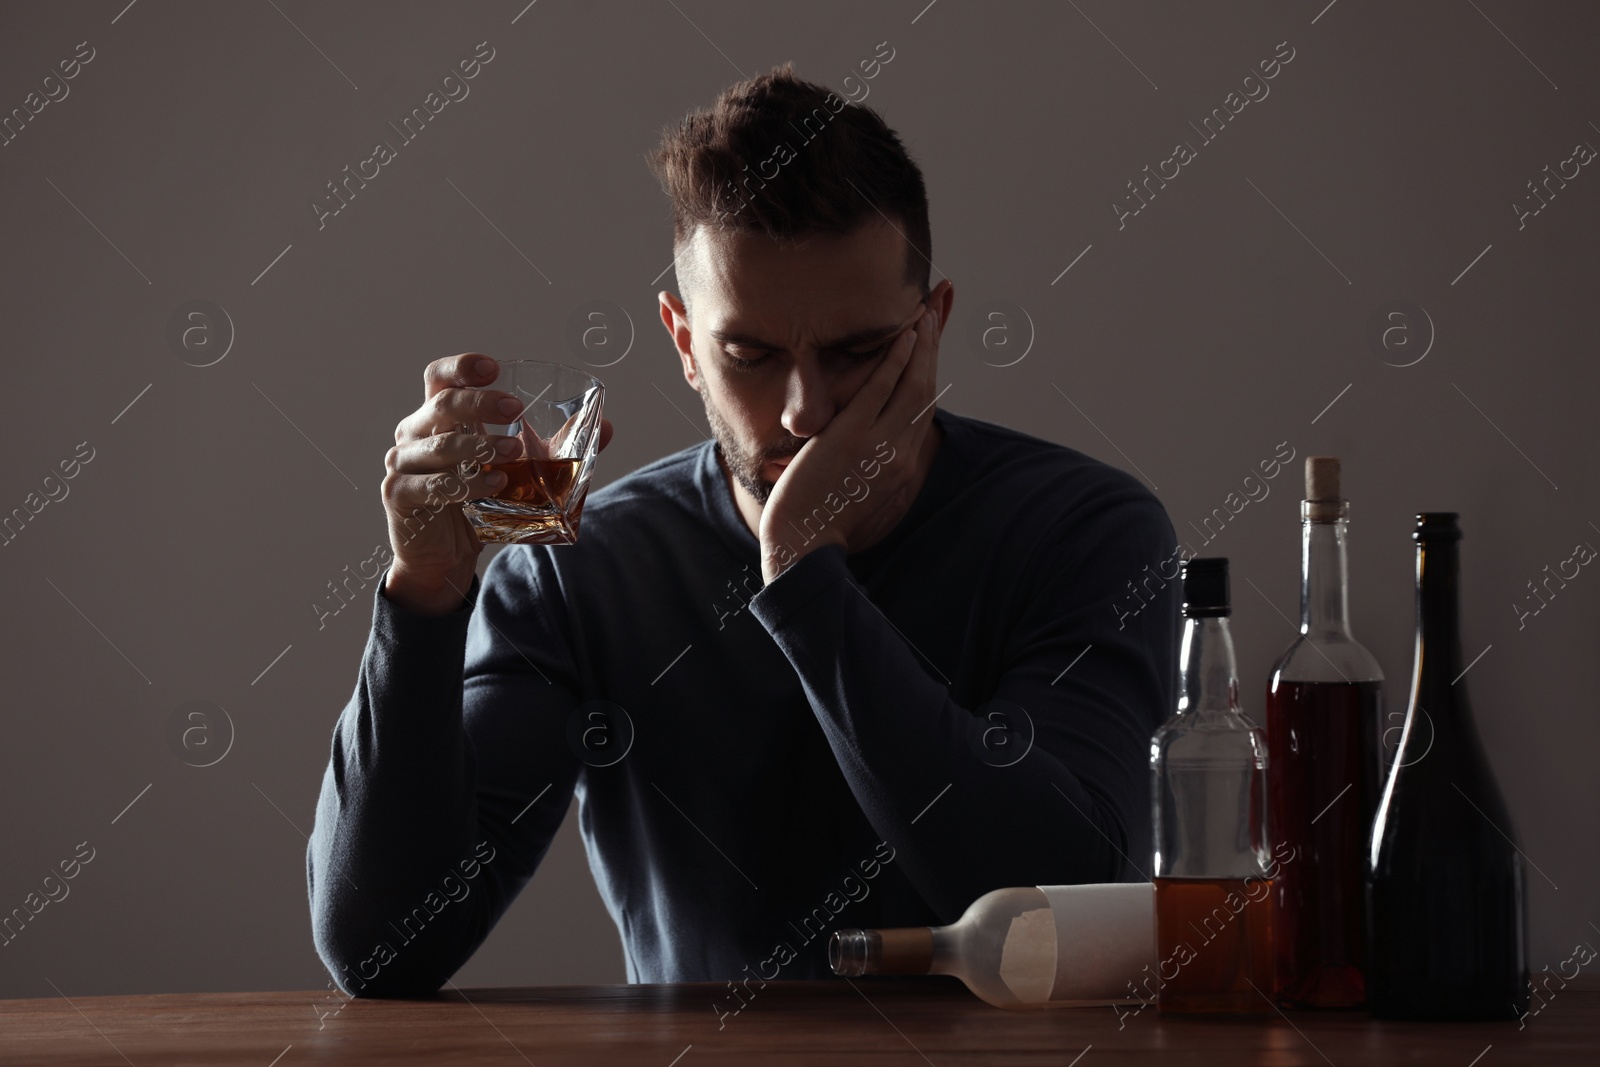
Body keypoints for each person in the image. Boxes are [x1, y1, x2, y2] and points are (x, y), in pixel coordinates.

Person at [307, 63, 1179, 998]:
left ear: (933, 329)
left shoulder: (1082, 532)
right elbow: (386, 952)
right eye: (750, 355)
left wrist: (803, 572)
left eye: (856, 352)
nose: (804, 411)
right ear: (684, 344)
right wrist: (424, 598)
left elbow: (1058, 905)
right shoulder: (583, 567)